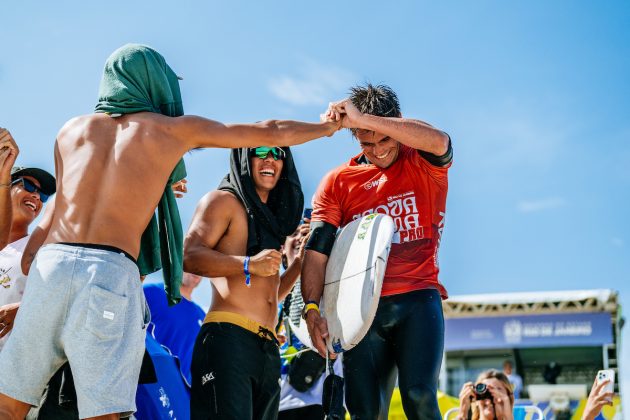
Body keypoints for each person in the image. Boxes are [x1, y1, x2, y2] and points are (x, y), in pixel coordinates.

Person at [0, 44, 340, 420]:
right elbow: (268, 131)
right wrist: (329, 127)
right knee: (104, 412)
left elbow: (40, 241)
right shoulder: (169, 131)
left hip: (52, 264)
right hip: (109, 270)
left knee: (9, 402)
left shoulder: (70, 131)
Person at [301, 83, 452, 419]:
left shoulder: (423, 159)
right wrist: (311, 306)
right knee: (365, 410)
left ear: (395, 125)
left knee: (419, 395)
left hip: (418, 298)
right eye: (367, 143)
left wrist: (365, 118)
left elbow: (441, 141)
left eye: (386, 139)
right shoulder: (339, 181)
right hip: (362, 309)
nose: (380, 151)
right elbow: (317, 249)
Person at [184, 146, 307, 419]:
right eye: (260, 151)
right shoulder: (222, 201)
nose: (270, 159)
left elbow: (270, 295)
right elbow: (189, 256)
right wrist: (249, 263)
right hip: (228, 340)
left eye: (277, 153)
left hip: (267, 348)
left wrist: (297, 264)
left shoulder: (270, 221)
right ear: (243, 158)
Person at [0, 165, 56, 349]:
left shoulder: (42, 251)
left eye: (43, 195)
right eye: (29, 186)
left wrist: (22, 310)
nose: (37, 196)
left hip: (12, 367)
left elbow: (59, 298)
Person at [143, 272, 206, 384]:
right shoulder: (150, 293)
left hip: (183, 394)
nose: (196, 270)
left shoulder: (203, 316)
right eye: (191, 259)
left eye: (201, 266)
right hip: (151, 386)